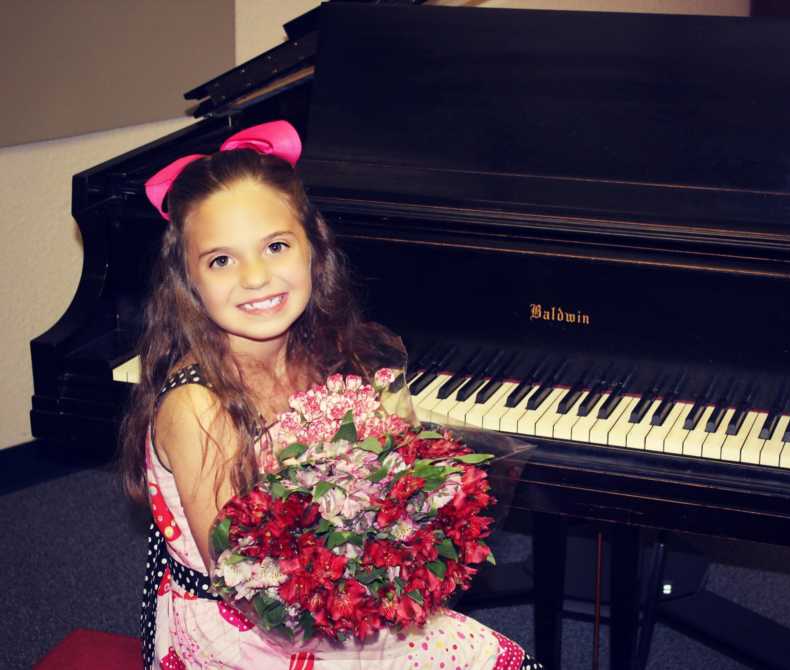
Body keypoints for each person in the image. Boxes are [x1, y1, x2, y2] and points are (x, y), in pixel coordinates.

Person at [119, 121, 542, 670]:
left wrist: (412, 513)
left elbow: (383, 467)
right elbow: (242, 581)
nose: (255, 277)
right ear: (188, 281)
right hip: (248, 628)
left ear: (314, 249)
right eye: (221, 259)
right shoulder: (198, 408)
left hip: (331, 599)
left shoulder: (320, 351)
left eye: (275, 246)